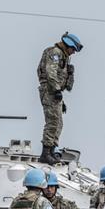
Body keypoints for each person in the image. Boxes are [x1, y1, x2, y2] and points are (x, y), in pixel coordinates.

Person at [37, 32, 83, 164]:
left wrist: (70, 74)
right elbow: (51, 73)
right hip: (49, 90)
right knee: (52, 121)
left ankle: (51, 150)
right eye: (73, 49)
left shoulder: (64, 57)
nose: (73, 52)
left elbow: (68, 87)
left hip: (55, 92)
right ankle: (45, 153)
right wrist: (57, 90)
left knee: (58, 123)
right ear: (68, 45)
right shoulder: (56, 53)